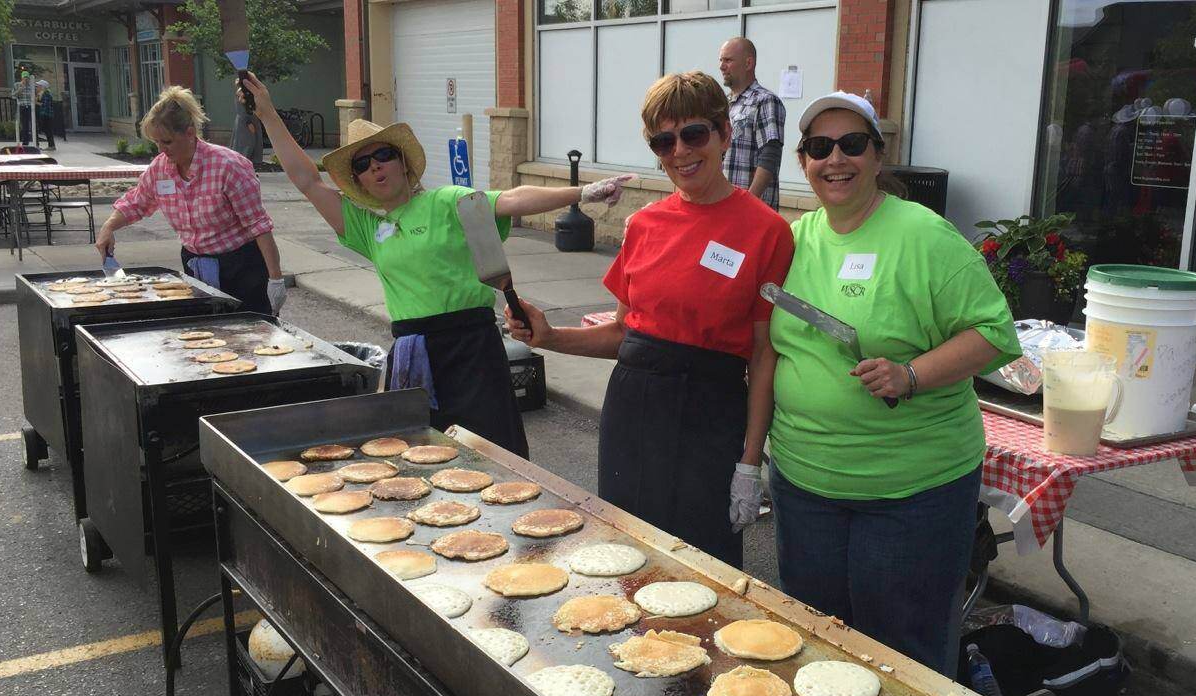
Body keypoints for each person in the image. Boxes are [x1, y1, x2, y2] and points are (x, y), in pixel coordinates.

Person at [240, 73, 632, 459]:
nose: (376, 166)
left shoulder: (446, 201)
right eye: (363, 163)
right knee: (419, 456)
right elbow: (306, 181)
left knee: (494, 456)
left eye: (384, 155)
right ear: (357, 181)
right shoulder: (365, 227)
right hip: (414, 355)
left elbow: (510, 199)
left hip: (473, 348)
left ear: (403, 162)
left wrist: (583, 192)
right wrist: (268, 114)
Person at [764, 92, 1021, 675]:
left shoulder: (923, 235)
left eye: (852, 144)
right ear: (802, 160)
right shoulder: (795, 239)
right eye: (819, 147)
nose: (836, 159)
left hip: (909, 493)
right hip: (805, 485)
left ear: (879, 156)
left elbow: (996, 333)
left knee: (902, 654)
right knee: (816, 641)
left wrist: (911, 374)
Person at [507, 72, 794, 567]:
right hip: (634, 410)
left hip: (711, 412)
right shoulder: (644, 224)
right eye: (663, 141)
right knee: (628, 553)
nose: (680, 151)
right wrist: (550, 336)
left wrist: (750, 461)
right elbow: (624, 334)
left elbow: (764, 355)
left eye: (694, 134)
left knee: (703, 566)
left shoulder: (768, 231)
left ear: (725, 134)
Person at [97, 86, 285, 316]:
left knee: (249, 336)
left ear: (189, 133)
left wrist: (275, 279)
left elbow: (259, 227)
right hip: (195, 265)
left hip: (241, 268)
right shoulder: (160, 169)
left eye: (167, 142)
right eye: (156, 142)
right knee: (203, 336)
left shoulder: (228, 166)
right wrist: (109, 226)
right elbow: (137, 202)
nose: (161, 150)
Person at [718, 37, 786, 211]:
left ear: (748, 63)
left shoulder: (765, 101)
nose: (721, 66)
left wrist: (749, 202)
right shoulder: (725, 105)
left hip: (753, 212)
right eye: (721, 60)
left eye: (728, 60)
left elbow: (770, 155)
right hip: (725, 206)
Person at [14, 71, 34, 146]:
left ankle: (36, 142)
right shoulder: (17, 85)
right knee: (24, 125)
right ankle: (25, 142)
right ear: (22, 78)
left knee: (32, 125)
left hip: (30, 106)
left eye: (27, 78)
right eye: (24, 78)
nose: (26, 79)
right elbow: (13, 95)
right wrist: (20, 90)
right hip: (22, 106)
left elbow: (34, 96)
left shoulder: (31, 86)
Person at [35, 81, 55, 150]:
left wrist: (36, 102)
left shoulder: (46, 94)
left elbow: (44, 105)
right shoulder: (41, 94)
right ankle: (51, 145)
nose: (36, 87)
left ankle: (51, 146)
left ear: (42, 87)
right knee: (47, 130)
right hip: (45, 114)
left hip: (47, 115)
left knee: (48, 130)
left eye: (38, 86)